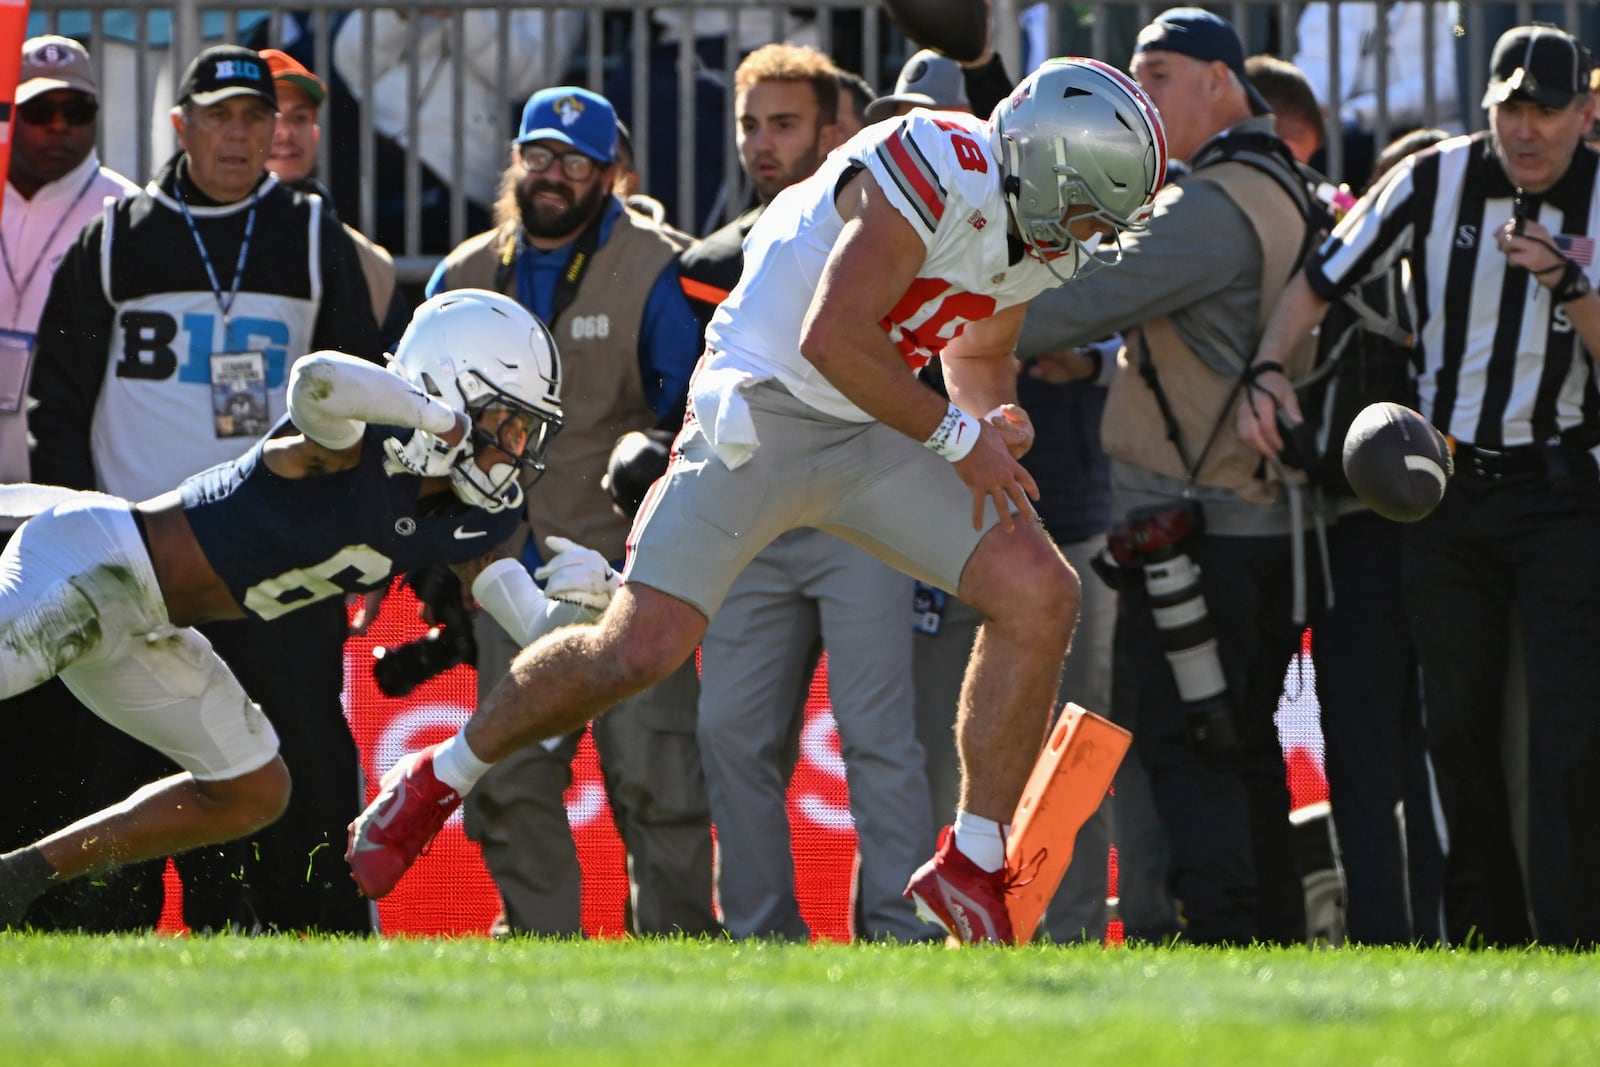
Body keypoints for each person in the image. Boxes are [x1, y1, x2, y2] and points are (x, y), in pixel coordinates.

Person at [349, 57, 1169, 948]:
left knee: (1040, 591)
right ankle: (441, 773)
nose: (1093, 231)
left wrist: (983, 418)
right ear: (1042, 163)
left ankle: (974, 861)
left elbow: (973, 356)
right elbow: (832, 338)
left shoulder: (1032, 235)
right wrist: (957, 438)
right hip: (766, 404)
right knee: (636, 649)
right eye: (1088, 202)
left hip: (874, 424)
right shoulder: (935, 160)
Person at [0, 289, 617, 927]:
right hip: (94, 560)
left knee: (254, 790)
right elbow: (315, 380)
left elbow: (537, 639)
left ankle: (18, 877)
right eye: (506, 421)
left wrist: (580, 609)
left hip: (148, 628)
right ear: (450, 391)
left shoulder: (471, 516)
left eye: (527, 429)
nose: (516, 447)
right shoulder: (356, 441)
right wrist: (441, 423)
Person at [1239, 24, 1600, 949]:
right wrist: (1270, 370)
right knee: (1457, 731)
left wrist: (1575, 287)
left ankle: (1576, 940)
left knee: (1571, 739)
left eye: (1547, 110)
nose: (1527, 130)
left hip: (1566, 488)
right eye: (1510, 107)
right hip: (1447, 494)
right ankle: (1487, 942)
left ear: (1586, 112)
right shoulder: (1429, 179)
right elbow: (1318, 282)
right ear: (1486, 107)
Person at [27, 44, 386, 934]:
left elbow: (367, 401)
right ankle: (98, 933)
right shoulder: (114, 239)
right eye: (218, 116)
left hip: (276, 564)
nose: (237, 135)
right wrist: (87, 533)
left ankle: (305, 933)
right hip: (136, 563)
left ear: (278, 131)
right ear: (180, 124)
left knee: (297, 756)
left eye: (255, 118)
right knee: (115, 761)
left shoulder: (313, 238)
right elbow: (58, 402)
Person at [1010, 8, 1325, 946]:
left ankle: (1217, 935)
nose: (1136, 99)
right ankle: (1260, 931)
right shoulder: (1282, 183)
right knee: (1237, 745)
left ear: (1224, 84)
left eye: (1157, 77)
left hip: (1198, 525)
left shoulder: (1213, 202)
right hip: (1251, 515)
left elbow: (1050, 313)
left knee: (1192, 746)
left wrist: (950, 293)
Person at [426, 86, 715, 938]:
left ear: (613, 173)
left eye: (576, 162)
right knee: (509, 782)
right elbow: (415, 425)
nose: (553, 176)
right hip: (500, 563)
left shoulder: (664, 266)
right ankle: (541, 954)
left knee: (657, 777)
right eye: (538, 156)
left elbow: (694, 413)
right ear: (516, 161)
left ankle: (680, 961)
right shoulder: (462, 274)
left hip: (636, 571)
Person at [677, 43, 935, 942]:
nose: (760, 143)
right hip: (752, 508)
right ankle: (757, 938)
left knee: (878, 737)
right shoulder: (707, 257)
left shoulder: (910, 236)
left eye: (783, 123)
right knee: (728, 733)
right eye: (749, 124)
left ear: (839, 132)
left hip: (864, 513)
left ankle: (903, 934)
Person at [0, 34, 145, 931]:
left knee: (68, 720)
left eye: (76, 109)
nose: (57, 126)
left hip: (57, 501)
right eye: (37, 108)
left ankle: (57, 902)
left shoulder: (125, 214)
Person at [331, 6, 583, 254]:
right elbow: (350, 64)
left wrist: (463, 10)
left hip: (456, 169)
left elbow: (531, 75)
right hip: (371, 140)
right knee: (320, 109)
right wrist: (397, 13)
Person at [259, 48, 408, 351]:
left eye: (299, 118)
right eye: (270, 117)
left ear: (315, 134)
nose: (286, 132)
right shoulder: (201, 236)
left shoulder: (373, 265)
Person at [1291, 2, 1460, 184]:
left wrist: (1354, 113)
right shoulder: (1325, 7)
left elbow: (1447, 86)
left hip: (1422, 134)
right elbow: (1313, 69)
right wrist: (1316, 109)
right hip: (1343, 138)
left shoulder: (1449, 8)